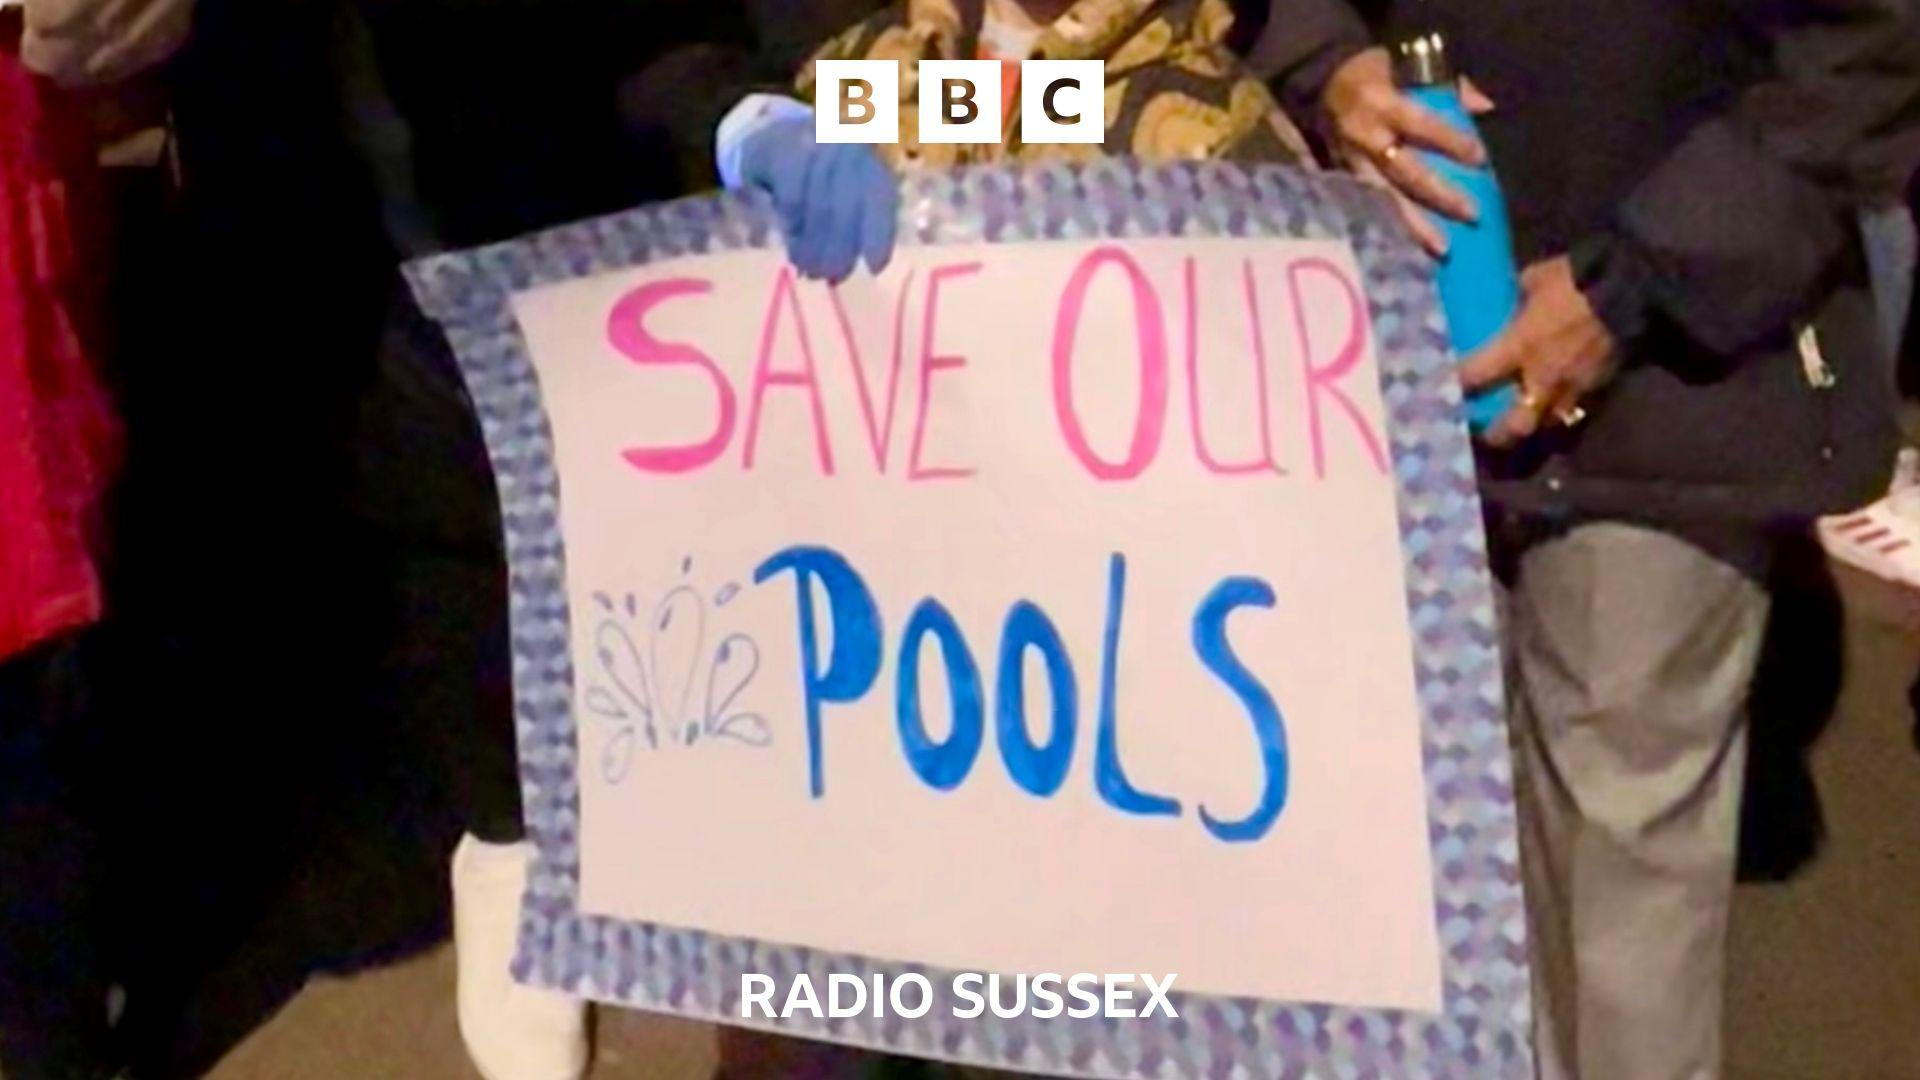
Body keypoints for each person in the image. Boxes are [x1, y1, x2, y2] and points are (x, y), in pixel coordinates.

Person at [1243, 2, 1919, 1077]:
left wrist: (1631, 286)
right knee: (1410, 897)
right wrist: (1329, 63)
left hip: (1668, 386)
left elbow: (1866, 56)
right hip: (1370, 367)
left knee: (1618, 911)